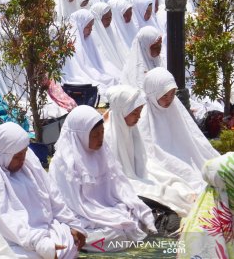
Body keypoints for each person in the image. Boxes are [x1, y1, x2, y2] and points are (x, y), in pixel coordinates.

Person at [49, 105, 156, 251]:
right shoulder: (63, 163)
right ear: (80, 135)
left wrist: (126, 207)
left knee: (133, 219)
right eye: (95, 135)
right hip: (83, 216)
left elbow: (119, 186)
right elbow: (70, 205)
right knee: (112, 234)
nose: (100, 138)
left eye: (102, 132)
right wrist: (99, 217)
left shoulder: (102, 152)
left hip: (107, 210)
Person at [0, 122, 87, 259]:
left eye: (24, 153)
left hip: (44, 230)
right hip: (12, 239)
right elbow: (5, 220)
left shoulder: (28, 162)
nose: (23, 160)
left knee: (68, 241)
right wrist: (39, 242)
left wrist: (72, 224)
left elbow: (53, 196)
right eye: (17, 156)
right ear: (2, 155)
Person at [104, 85, 201, 221]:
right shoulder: (108, 135)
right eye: (134, 112)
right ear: (122, 111)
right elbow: (116, 177)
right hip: (122, 182)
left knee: (174, 182)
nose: (138, 116)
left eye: (140, 111)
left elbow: (142, 163)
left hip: (137, 174)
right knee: (162, 193)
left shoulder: (131, 128)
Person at [140, 68, 218, 179]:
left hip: (185, 157)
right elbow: (147, 149)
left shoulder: (175, 108)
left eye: (172, 94)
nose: (169, 100)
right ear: (152, 94)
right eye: (164, 96)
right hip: (163, 161)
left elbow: (193, 137)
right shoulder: (144, 116)